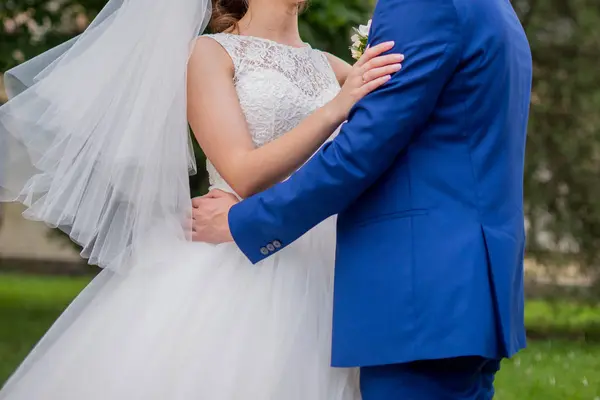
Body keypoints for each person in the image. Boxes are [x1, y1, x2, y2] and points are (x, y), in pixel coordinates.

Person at [0, 0, 404, 399]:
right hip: (242, 261)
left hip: (332, 257)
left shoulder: (336, 67)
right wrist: (337, 107)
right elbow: (243, 173)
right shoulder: (209, 53)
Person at [191, 0, 533, 398]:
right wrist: (336, 108)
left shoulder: (355, 55)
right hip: (307, 278)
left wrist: (243, 223)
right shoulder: (494, 9)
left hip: (396, 285)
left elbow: (364, 148)